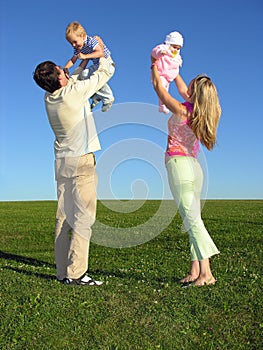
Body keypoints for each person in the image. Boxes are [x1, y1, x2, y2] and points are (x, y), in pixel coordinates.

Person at [33, 57, 114, 286]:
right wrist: (102, 56)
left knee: (63, 217)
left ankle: (62, 273)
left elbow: (72, 78)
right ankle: (77, 274)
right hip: (81, 162)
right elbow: (102, 76)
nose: (65, 70)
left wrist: (78, 61)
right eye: (61, 70)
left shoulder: (49, 97)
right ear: (59, 77)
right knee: (83, 218)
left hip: (61, 162)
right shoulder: (73, 94)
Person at [151, 58, 221, 287]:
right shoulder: (197, 111)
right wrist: (171, 65)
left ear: (193, 93)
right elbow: (178, 84)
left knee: (193, 221)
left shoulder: (182, 110)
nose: (185, 88)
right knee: (192, 218)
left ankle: (206, 273)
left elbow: (160, 89)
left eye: (189, 86)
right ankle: (194, 270)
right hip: (194, 168)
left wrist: (154, 65)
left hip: (180, 167)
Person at [64, 21, 115, 112]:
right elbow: (73, 60)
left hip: (107, 65)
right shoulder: (78, 48)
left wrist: (85, 56)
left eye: (75, 42)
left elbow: (100, 53)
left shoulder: (91, 41)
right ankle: (96, 96)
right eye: (71, 43)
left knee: (96, 78)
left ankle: (108, 98)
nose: (74, 45)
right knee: (83, 75)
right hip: (97, 66)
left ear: (83, 36)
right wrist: (66, 68)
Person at [151, 31, 188, 114]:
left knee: (165, 90)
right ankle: (162, 106)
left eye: (178, 48)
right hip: (161, 73)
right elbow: (154, 52)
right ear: (168, 44)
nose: (176, 50)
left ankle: (162, 106)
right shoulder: (163, 48)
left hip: (169, 76)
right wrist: (160, 53)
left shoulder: (176, 55)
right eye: (174, 47)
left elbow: (178, 60)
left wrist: (179, 63)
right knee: (162, 90)